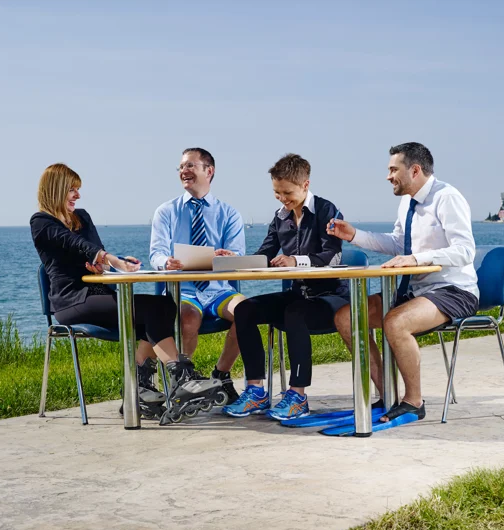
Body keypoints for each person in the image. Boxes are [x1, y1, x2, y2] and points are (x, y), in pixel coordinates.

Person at [30, 163, 222, 420]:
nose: (77, 195)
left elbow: (92, 248)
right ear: (56, 190)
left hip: (100, 294)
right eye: (72, 190)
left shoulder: (82, 217)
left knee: (163, 307)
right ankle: (181, 379)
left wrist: (108, 262)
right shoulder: (41, 222)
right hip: (72, 301)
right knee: (153, 310)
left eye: (77, 190)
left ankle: (143, 387)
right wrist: (110, 260)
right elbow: (72, 243)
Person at [328, 142, 479, 423]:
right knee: (347, 317)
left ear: (415, 170)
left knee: (396, 322)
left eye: (393, 169)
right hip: (416, 291)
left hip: (454, 290)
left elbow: (465, 250)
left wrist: (417, 259)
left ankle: (413, 402)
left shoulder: (448, 198)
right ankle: (387, 394)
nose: (388, 176)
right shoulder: (406, 202)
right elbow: (398, 243)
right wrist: (354, 235)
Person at [222, 153, 348, 420]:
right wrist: (238, 261)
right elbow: (266, 253)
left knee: (295, 313)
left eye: (287, 192)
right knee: (244, 309)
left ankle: (297, 396)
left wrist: (295, 260)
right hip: (297, 295)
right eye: (277, 193)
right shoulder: (281, 217)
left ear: (305, 184)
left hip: (331, 298)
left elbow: (332, 255)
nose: (282, 198)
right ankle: (256, 391)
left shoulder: (326, 210)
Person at [150, 148, 245, 404]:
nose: (184, 171)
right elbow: (155, 254)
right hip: (185, 290)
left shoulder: (230, 214)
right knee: (188, 318)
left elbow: (239, 257)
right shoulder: (166, 211)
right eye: (181, 167)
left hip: (219, 290)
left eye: (190, 166)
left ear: (209, 171)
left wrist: (228, 258)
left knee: (248, 311)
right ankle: (184, 382)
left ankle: (222, 374)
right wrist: (165, 262)